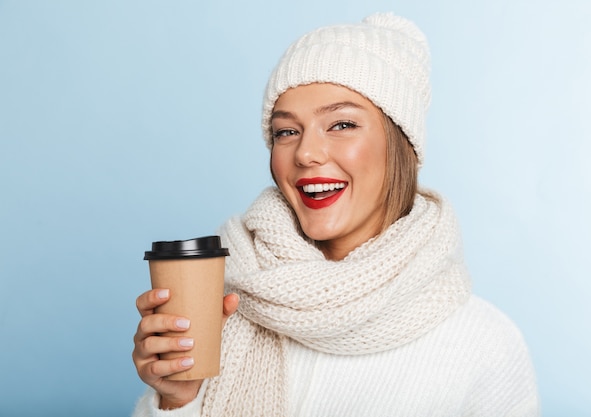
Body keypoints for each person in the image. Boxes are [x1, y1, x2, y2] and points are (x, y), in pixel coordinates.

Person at [132, 12, 540, 417]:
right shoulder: (223, 304)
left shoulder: (485, 343)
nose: (306, 153)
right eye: (286, 132)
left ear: (402, 146)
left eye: (341, 124)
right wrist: (176, 400)